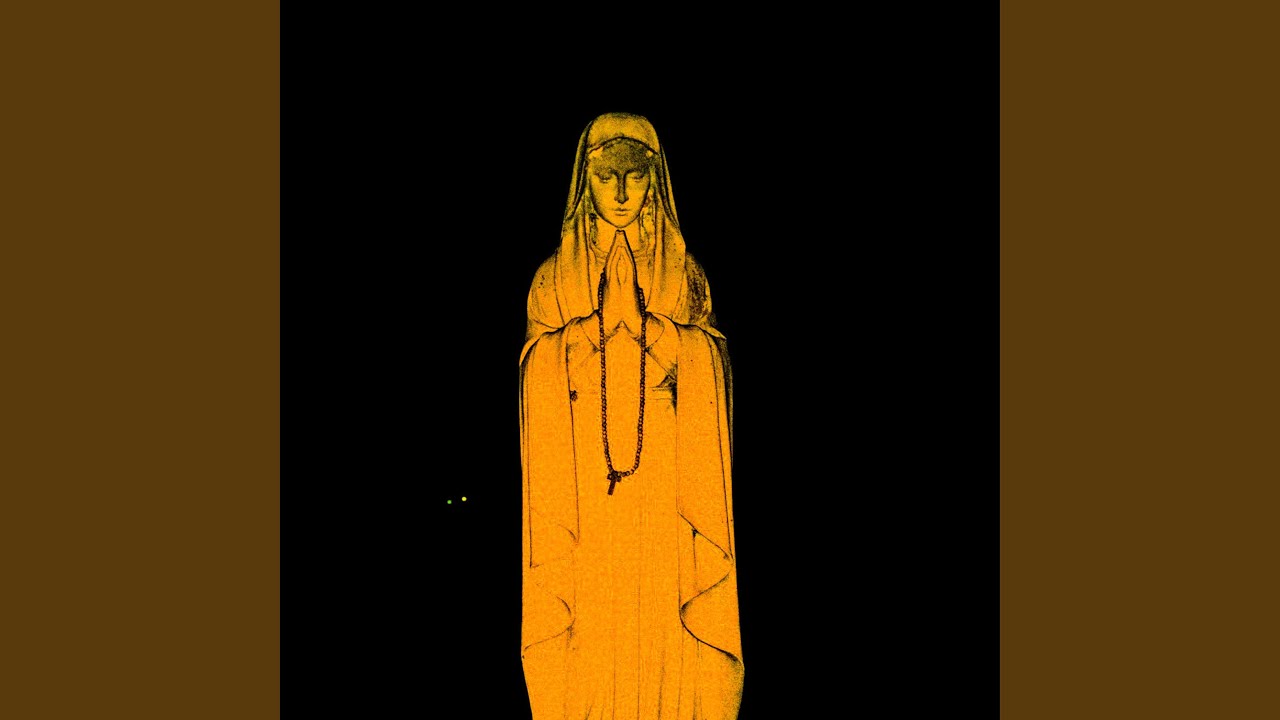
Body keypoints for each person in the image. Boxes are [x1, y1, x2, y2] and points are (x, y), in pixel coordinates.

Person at [519, 113, 743, 719]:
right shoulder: (554, 279)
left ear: (655, 182)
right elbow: (535, 368)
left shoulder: (684, 276)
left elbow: (712, 362)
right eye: (606, 177)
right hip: (585, 483)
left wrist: (662, 339)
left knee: (662, 598)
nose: (620, 192)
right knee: (596, 602)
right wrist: (584, 339)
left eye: (635, 176)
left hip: (665, 475)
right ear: (584, 183)